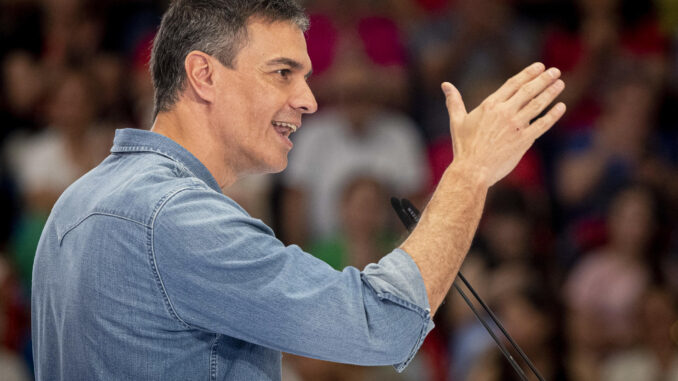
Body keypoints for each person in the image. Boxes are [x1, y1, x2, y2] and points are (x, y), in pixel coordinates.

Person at [31, 0, 566, 380]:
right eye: (283, 72)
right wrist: (469, 173)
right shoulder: (177, 218)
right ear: (203, 75)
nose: (309, 99)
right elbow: (382, 322)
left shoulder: (77, 201)